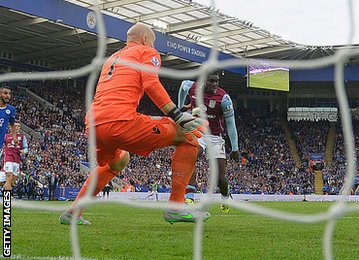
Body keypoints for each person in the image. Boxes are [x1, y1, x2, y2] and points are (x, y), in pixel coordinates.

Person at [59, 23, 208, 225]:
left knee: (119, 161)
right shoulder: (147, 51)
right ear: (146, 39)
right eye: (153, 40)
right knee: (190, 136)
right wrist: (176, 115)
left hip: (94, 124)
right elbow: (151, 84)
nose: (154, 45)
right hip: (119, 121)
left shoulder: (113, 57)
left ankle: (73, 213)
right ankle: (176, 206)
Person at [178, 74, 239, 213]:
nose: (214, 84)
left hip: (215, 137)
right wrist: (180, 106)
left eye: (216, 81)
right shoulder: (192, 87)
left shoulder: (224, 99)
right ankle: (189, 198)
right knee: (189, 157)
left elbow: (231, 124)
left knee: (220, 178)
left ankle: (225, 196)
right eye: (211, 81)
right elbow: (182, 85)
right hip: (197, 132)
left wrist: (235, 148)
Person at [0, 86, 17, 189]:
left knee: (10, 179)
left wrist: (14, 138)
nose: (8, 96)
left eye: (9, 94)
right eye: (5, 93)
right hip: (7, 158)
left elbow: (12, 124)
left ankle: (7, 203)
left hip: (1, 146)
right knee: (8, 178)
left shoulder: (11, 109)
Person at [2, 122, 27, 192]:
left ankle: (5, 190)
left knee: (13, 182)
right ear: (11, 127)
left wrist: (24, 151)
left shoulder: (22, 137)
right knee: (9, 177)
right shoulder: (6, 136)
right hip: (9, 159)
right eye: (15, 126)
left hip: (17, 161)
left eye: (18, 126)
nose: (17, 127)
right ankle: (6, 201)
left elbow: (26, 148)